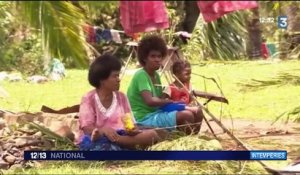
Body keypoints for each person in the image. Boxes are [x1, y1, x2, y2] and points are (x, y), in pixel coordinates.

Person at [77, 54, 163, 151]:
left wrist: (132, 129)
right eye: (115, 76)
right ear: (102, 80)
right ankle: (123, 145)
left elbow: (129, 122)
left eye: (118, 75)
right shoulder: (88, 98)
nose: (119, 79)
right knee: (102, 147)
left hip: (121, 136)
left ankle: (119, 142)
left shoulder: (121, 97)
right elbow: (87, 128)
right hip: (98, 139)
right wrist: (103, 131)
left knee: (153, 134)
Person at [127, 34, 203, 135]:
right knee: (187, 116)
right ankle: (184, 143)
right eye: (153, 56)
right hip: (143, 118)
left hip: (156, 112)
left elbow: (159, 98)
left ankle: (193, 141)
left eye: (159, 56)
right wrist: (168, 101)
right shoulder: (141, 75)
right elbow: (150, 101)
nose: (157, 59)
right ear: (144, 58)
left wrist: (174, 100)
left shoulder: (156, 75)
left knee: (198, 112)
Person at [161, 60, 228, 113]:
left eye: (190, 73)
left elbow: (191, 97)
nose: (190, 76)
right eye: (187, 74)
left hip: (187, 110)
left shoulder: (188, 85)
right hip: (175, 113)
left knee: (198, 111)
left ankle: (194, 130)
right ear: (176, 75)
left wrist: (193, 103)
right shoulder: (170, 88)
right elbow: (162, 102)